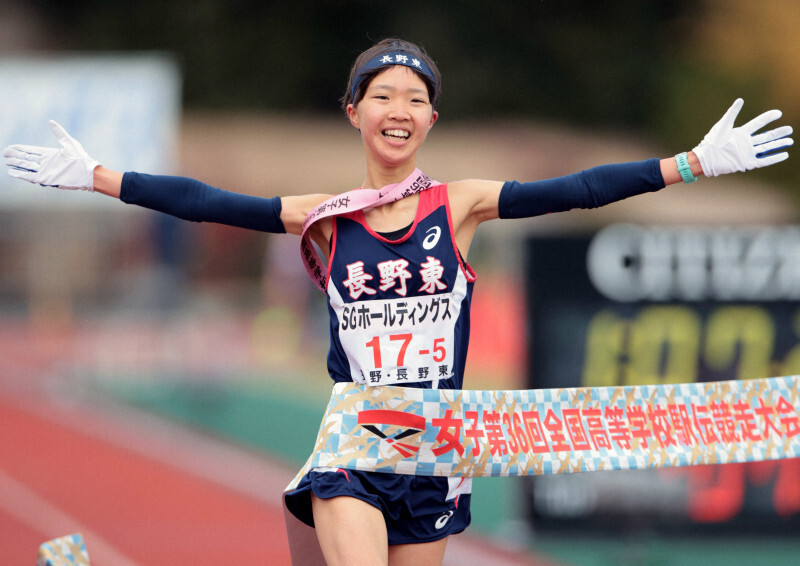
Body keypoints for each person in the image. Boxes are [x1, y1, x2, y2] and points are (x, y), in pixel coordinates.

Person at [3, 38, 793, 566]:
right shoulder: (322, 217)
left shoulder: (460, 205)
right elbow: (209, 201)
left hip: (437, 451)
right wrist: (101, 177)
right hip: (355, 445)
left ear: (431, 119)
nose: (400, 110)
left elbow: (578, 190)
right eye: (384, 95)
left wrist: (690, 164)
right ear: (355, 111)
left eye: (416, 98)